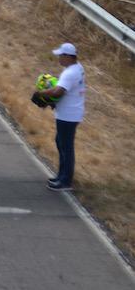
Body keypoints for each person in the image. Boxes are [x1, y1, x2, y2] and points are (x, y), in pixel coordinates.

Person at [38, 43, 86, 192]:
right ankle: (62, 175)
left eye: (61, 55)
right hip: (71, 113)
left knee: (65, 146)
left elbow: (58, 92)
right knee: (61, 143)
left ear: (68, 56)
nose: (59, 58)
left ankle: (65, 181)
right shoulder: (78, 68)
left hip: (68, 115)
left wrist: (42, 94)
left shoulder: (70, 73)